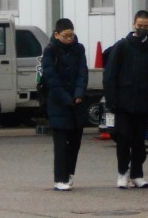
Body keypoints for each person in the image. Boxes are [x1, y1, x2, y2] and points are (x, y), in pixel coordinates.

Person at [102, 10, 148, 189]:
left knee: (139, 140)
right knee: (123, 137)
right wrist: (111, 100)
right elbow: (110, 74)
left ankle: (137, 174)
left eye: (146, 26)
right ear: (133, 24)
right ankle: (123, 172)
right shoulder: (122, 46)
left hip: (144, 103)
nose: (142, 28)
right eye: (139, 25)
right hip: (123, 103)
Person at [42, 18, 89, 191]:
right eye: (65, 36)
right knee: (61, 144)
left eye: (71, 35)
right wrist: (65, 98)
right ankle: (59, 178)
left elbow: (83, 73)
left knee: (75, 142)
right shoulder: (50, 51)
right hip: (58, 103)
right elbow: (51, 78)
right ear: (57, 34)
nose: (69, 39)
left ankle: (69, 173)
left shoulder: (79, 49)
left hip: (77, 103)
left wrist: (79, 93)